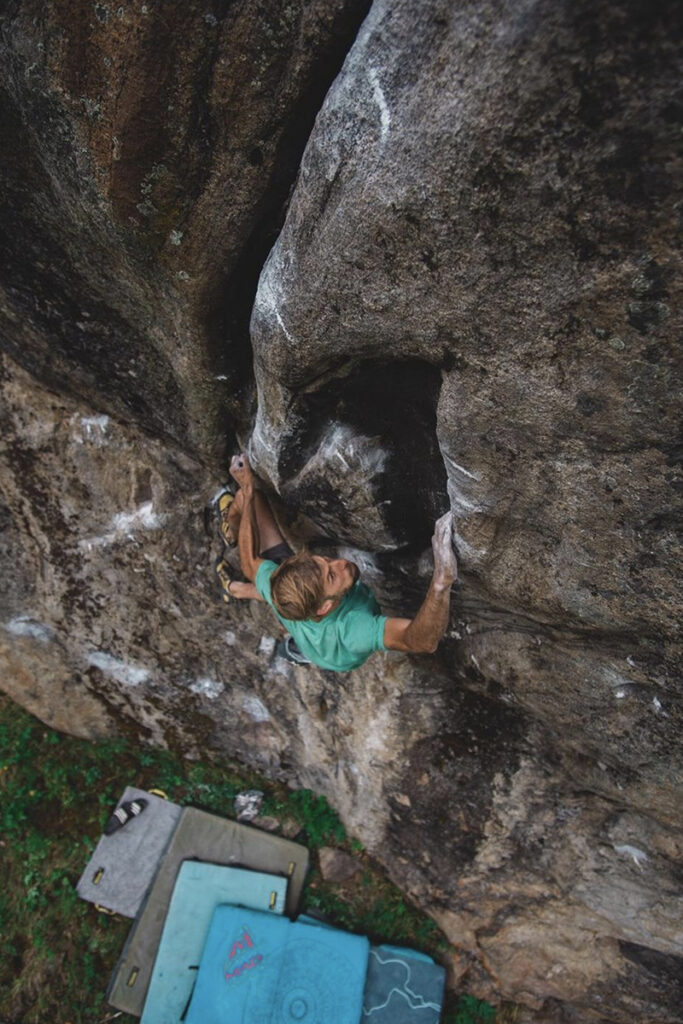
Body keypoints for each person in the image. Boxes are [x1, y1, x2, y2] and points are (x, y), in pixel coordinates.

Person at [217, 453, 457, 673]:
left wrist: (247, 489)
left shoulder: (283, 590)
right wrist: (440, 583)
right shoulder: (352, 629)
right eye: (331, 576)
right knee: (284, 605)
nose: (340, 564)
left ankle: (233, 586)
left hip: (304, 621)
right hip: (336, 657)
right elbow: (421, 641)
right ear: (324, 608)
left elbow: (250, 564)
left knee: (252, 499)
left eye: (324, 562)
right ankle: (297, 645)